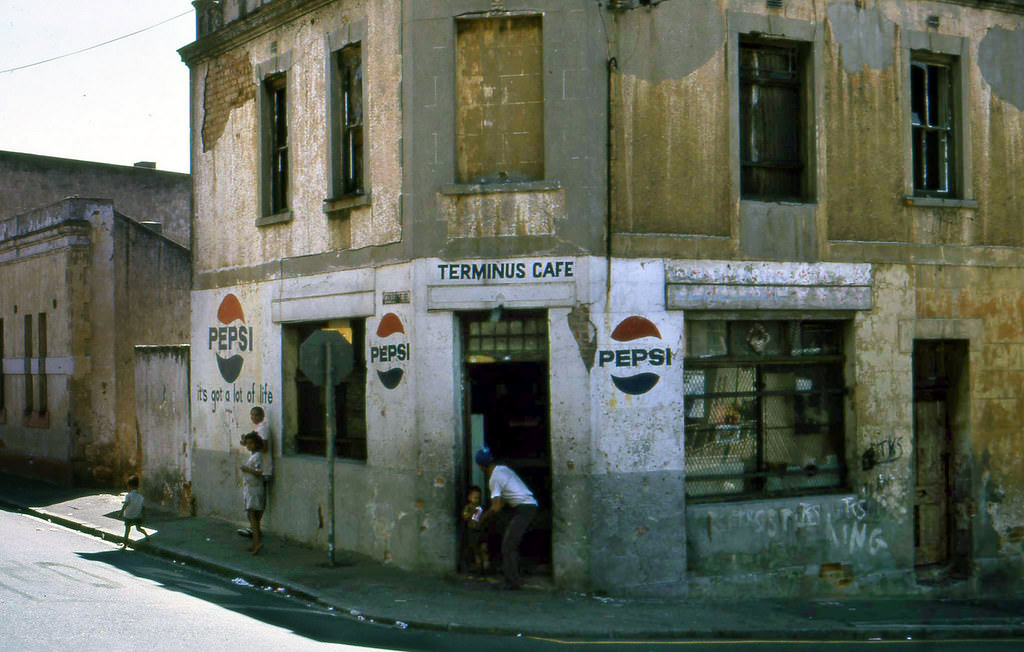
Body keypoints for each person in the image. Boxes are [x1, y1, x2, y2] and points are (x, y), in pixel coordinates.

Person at [475, 447, 538, 590]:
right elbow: (502, 502)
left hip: (524, 509)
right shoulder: (502, 469)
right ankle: (513, 577)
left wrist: (481, 519)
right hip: (527, 507)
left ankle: (512, 582)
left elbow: (496, 507)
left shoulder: (494, 479)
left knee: (508, 545)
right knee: (510, 542)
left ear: (479, 466)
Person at [238, 406, 272, 539]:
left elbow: (264, 446)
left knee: (257, 505)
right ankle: (255, 529)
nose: (254, 418)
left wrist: (252, 445)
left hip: (263, 468)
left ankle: (255, 529)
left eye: (256, 415)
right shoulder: (258, 428)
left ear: (262, 416)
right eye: (252, 415)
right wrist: (247, 443)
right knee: (254, 506)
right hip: (259, 468)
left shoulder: (263, 428)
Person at [240, 432, 266, 554]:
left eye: (251, 443)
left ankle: (257, 543)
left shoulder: (258, 457)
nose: (249, 445)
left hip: (254, 490)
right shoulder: (254, 456)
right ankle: (255, 542)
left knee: (252, 516)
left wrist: (247, 469)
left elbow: (259, 471)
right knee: (253, 517)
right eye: (248, 443)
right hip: (251, 489)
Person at [460, 485, 490, 574]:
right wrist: (472, 513)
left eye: (479, 498)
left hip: (481, 530)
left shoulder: (481, 507)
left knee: (484, 548)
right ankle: (479, 565)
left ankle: (486, 564)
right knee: (475, 548)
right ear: (469, 497)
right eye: (475, 498)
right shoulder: (468, 507)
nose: (477, 500)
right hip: (472, 530)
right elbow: (465, 517)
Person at [119, 475, 149, 549]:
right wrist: (144, 516)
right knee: (139, 528)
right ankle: (147, 536)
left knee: (127, 530)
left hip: (129, 516)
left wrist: (121, 512)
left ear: (130, 486)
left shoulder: (128, 496)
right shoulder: (140, 496)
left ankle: (125, 544)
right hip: (138, 516)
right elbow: (143, 507)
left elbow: (126, 504)